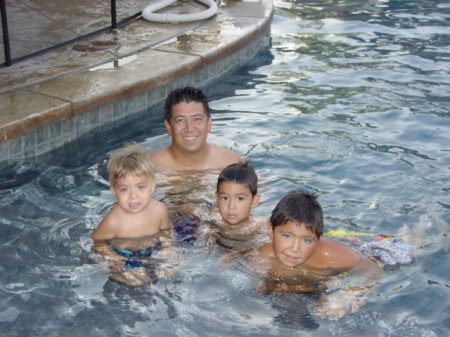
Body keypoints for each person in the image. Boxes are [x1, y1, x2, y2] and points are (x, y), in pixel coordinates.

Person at [253, 190, 383, 320]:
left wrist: (347, 294)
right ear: (271, 230)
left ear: (316, 240)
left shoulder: (332, 256)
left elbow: (374, 272)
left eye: (306, 240)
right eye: (287, 236)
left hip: (364, 251)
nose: (294, 248)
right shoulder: (263, 256)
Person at [91, 143, 172, 287]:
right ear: (114, 192)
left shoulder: (159, 209)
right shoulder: (113, 221)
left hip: (151, 250)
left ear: (152, 187)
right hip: (123, 254)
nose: (133, 196)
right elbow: (98, 242)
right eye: (124, 190)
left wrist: (167, 248)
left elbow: (166, 232)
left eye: (140, 187)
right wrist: (115, 258)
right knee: (139, 280)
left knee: (174, 267)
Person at [150, 86, 241, 171]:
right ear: (169, 127)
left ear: (209, 124)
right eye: (180, 120)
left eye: (197, 119)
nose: (189, 128)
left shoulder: (231, 164)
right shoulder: (151, 167)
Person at [199, 161, 268, 252]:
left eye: (240, 199)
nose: (231, 206)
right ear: (217, 198)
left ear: (254, 201)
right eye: (224, 198)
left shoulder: (259, 226)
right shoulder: (213, 219)